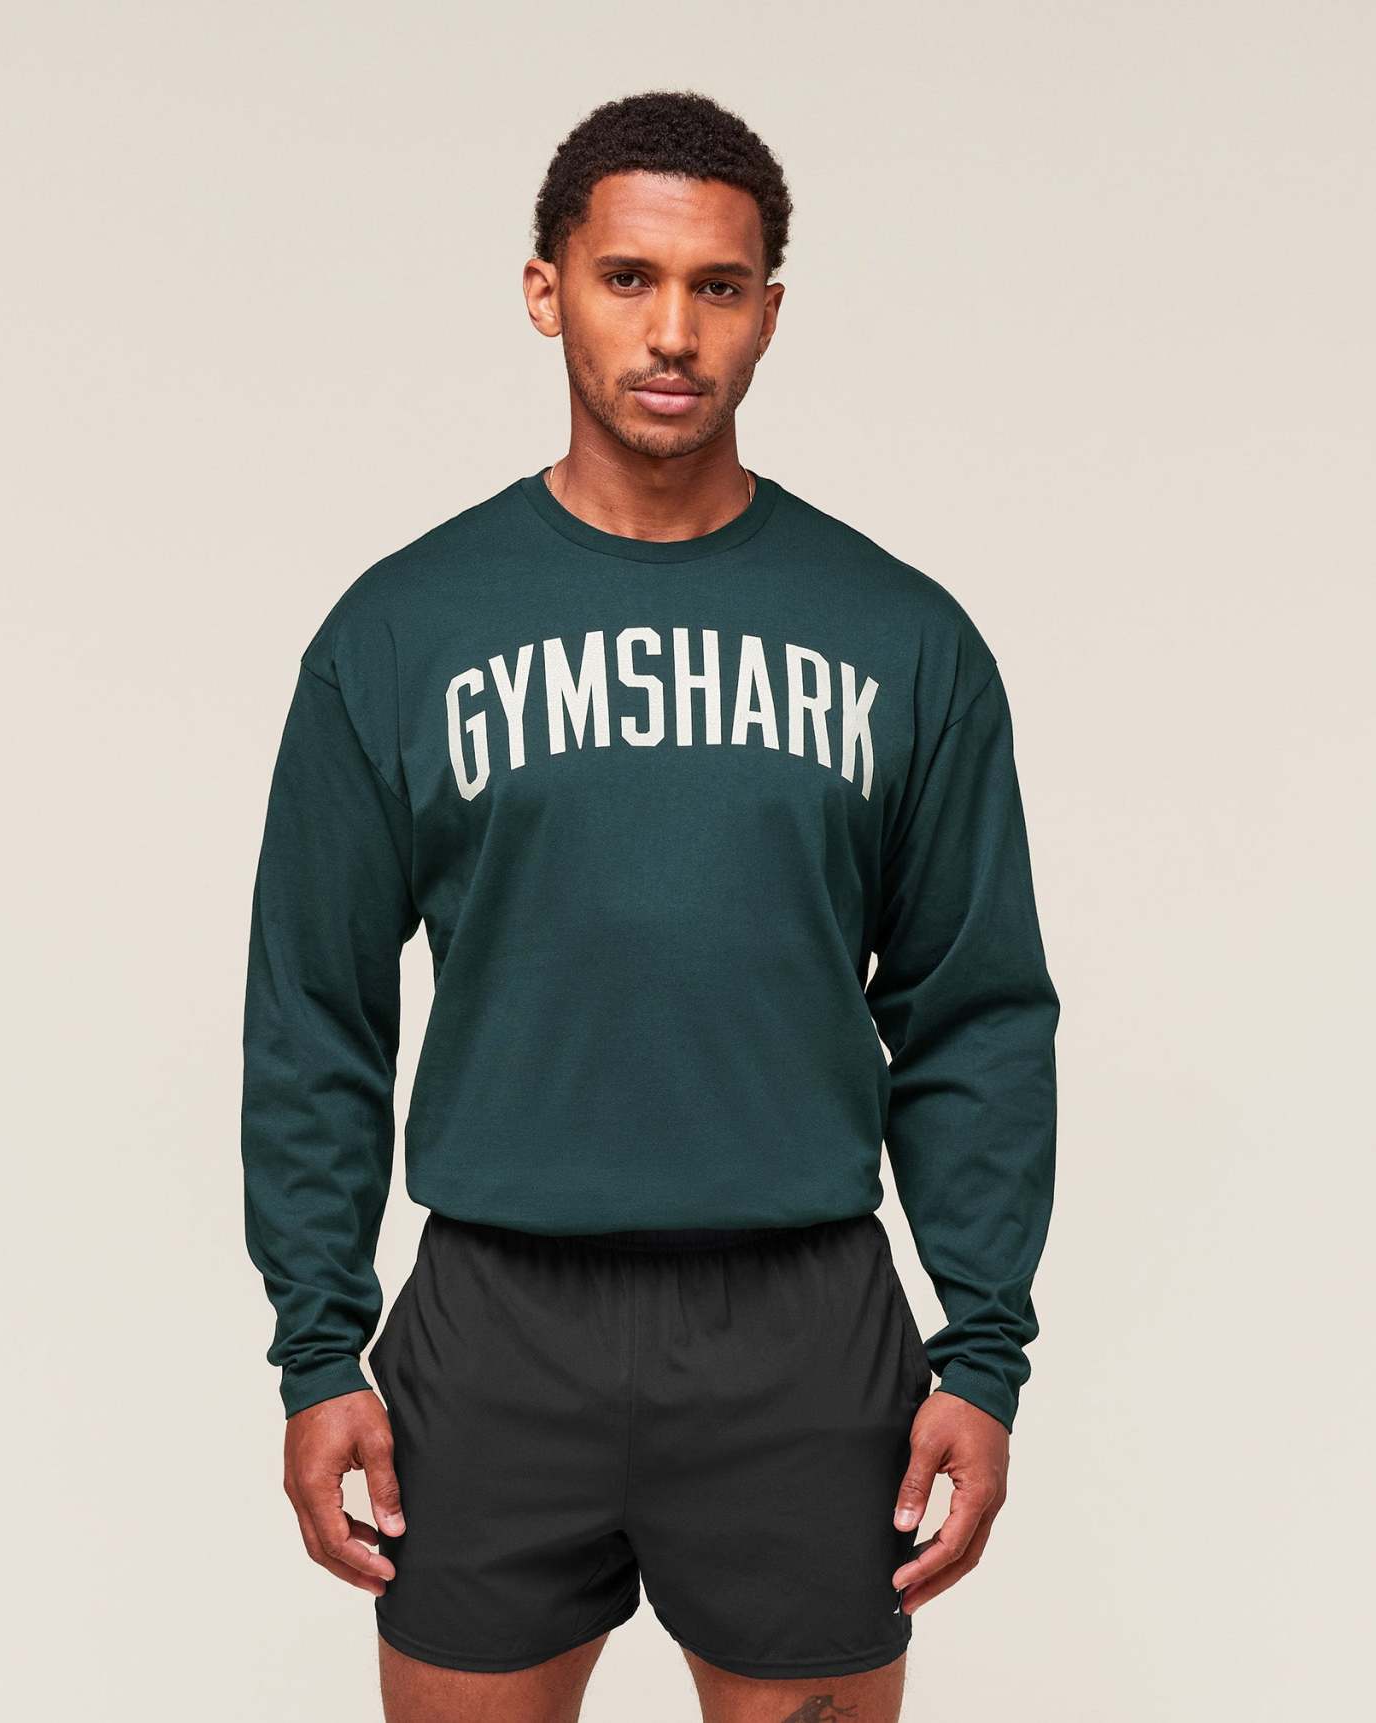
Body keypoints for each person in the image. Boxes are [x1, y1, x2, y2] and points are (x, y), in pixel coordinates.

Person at [241, 89, 1060, 1723]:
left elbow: (971, 1013)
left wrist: (981, 1352)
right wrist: (318, 1348)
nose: (672, 330)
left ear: (769, 309)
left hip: (801, 1325)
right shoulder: (401, 631)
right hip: (496, 1321)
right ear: (545, 290)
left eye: (717, 286)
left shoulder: (900, 636)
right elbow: (315, 1013)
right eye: (627, 278)